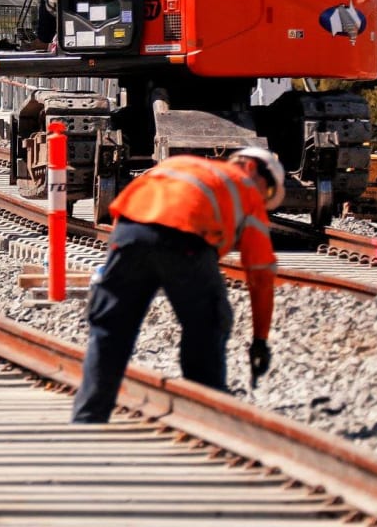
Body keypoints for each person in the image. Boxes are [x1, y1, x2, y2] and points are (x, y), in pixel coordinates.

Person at [70, 148, 282, 423]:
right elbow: (261, 274)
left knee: (111, 326)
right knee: (208, 323)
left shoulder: (181, 164)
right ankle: (207, 416)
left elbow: (129, 205)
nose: (263, 200)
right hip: (186, 243)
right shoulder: (245, 187)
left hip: (129, 231)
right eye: (267, 192)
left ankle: (88, 417)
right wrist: (260, 340)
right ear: (252, 167)